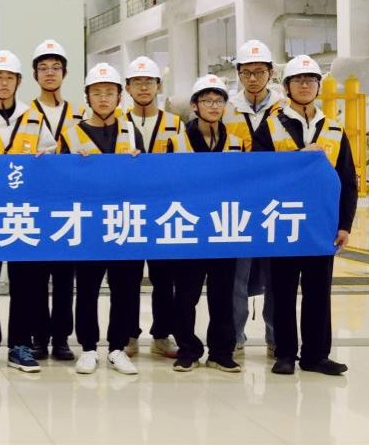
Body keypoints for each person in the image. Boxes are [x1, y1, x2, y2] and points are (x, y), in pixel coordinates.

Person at [254, 55, 356, 376]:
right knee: (282, 291)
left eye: (311, 80)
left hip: (321, 225)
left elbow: (347, 181)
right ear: (287, 87)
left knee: (318, 292)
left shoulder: (335, 128)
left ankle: (316, 355)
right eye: (298, 80)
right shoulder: (270, 125)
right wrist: (299, 156)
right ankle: (285, 353)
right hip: (283, 221)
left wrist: (344, 224)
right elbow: (259, 173)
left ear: (318, 86)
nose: (305, 85)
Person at [0, 50, 51, 373]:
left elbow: (51, 154)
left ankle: (20, 345)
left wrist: (45, 160)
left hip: (22, 212)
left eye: (10, 78)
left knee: (23, 282)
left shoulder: (34, 118)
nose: (4, 83)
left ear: (18, 82)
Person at [62, 63, 144, 376]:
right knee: (87, 289)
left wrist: (138, 161)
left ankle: (117, 348)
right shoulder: (72, 134)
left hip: (123, 221)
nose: (104, 98)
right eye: (97, 93)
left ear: (119, 96)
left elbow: (143, 176)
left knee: (124, 289)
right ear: (88, 97)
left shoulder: (130, 131)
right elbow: (60, 179)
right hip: (88, 224)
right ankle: (87, 348)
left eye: (109, 92)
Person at [170, 75, 243, 373]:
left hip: (224, 227)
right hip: (188, 227)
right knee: (185, 295)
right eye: (206, 100)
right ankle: (187, 349)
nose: (213, 106)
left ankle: (221, 352)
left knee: (222, 294)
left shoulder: (236, 142)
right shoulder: (177, 141)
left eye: (218, 101)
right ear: (194, 106)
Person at [223, 39, 283, 357]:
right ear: (239, 74)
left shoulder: (285, 110)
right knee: (237, 276)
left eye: (259, 72)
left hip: (276, 205)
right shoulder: (227, 110)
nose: (253, 78)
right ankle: (235, 335)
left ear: (271, 73)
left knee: (277, 276)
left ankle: (276, 336)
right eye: (246, 72)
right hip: (238, 206)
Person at [122, 56, 183, 360]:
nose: (143, 87)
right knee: (127, 279)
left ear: (158, 85)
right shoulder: (118, 124)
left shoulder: (175, 124)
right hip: (128, 212)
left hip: (163, 213)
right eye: (137, 82)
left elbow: (185, 166)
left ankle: (162, 334)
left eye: (149, 81)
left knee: (164, 279)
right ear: (128, 88)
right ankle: (128, 334)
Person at [23, 40, 77, 362]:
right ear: (34, 75)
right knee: (36, 277)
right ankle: (38, 337)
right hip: (35, 205)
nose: (50, 73)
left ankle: (62, 338)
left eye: (56, 67)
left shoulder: (80, 113)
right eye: (43, 68)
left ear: (64, 73)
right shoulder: (24, 114)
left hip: (69, 206)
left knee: (65, 277)